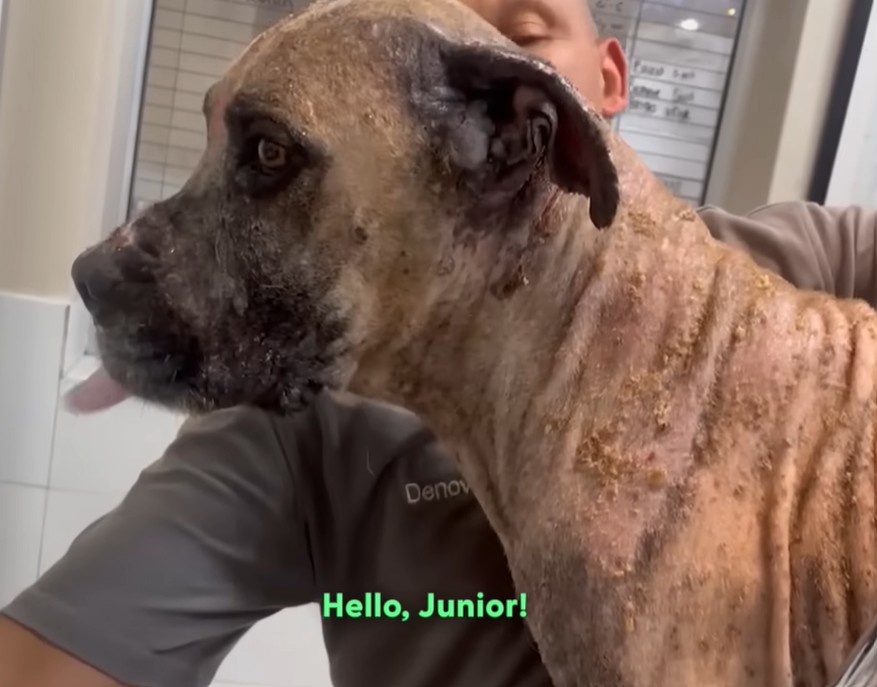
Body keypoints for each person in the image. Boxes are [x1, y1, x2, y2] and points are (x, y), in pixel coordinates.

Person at [1, 1, 875, 686]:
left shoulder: (808, 264)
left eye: (520, 33)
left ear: (574, 107)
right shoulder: (303, 419)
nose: (457, 30)